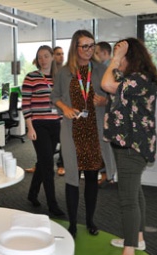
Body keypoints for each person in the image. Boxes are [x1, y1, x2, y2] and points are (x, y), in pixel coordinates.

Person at [102, 38, 157, 255]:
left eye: (121, 57)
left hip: (132, 148)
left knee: (127, 200)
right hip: (131, 145)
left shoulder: (138, 80)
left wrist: (115, 57)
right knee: (135, 193)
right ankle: (137, 238)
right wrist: (117, 58)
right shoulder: (136, 80)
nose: (118, 62)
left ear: (130, 57)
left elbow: (105, 83)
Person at [52, 30, 116, 238]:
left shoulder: (100, 70)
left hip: (93, 131)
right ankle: (72, 223)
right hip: (72, 131)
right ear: (75, 48)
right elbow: (55, 97)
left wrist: (105, 102)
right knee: (72, 177)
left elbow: (114, 97)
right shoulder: (63, 72)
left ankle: (89, 220)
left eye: (92, 45)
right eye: (85, 46)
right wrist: (65, 108)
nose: (89, 50)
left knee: (90, 177)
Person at [22, 45, 65, 217]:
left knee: (43, 161)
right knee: (48, 165)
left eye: (46, 56)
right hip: (39, 125)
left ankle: (32, 193)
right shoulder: (31, 77)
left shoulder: (59, 77)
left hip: (56, 124)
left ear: (52, 57)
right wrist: (29, 127)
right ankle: (52, 205)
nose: (43, 60)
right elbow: (25, 104)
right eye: (40, 57)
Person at [95, 41, 114, 186]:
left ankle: (109, 174)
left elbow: (117, 95)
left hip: (108, 114)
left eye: (97, 53)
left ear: (106, 53)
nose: (94, 56)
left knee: (106, 145)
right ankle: (107, 173)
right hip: (99, 112)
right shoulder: (99, 69)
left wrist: (106, 101)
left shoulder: (110, 70)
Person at [52, 46, 66, 176]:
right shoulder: (49, 71)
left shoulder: (67, 71)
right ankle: (39, 164)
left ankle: (61, 164)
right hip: (49, 110)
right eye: (58, 54)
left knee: (63, 138)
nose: (61, 56)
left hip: (62, 109)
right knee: (47, 139)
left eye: (62, 54)